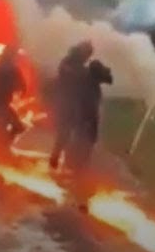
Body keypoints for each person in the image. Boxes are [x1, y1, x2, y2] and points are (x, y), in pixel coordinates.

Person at [49, 40, 94, 171]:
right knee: (64, 132)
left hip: (74, 102)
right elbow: (67, 73)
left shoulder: (78, 65)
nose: (88, 57)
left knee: (73, 133)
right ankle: (56, 159)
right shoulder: (68, 62)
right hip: (65, 101)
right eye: (87, 54)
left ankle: (70, 162)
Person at [65, 58, 114, 172]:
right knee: (83, 141)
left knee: (84, 140)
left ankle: (75, 165)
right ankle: (76, 166)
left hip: (85, 116)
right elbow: (108, 79)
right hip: (85, 117)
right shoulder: (88, 83)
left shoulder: (88, 77)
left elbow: (108, 79)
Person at [0, 43, 27, 150]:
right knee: (16, 127)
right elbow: (22, 84)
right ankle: (1, 147)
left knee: (3, 126)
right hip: (2, 102)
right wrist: (21, 90)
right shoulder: (12, 68)